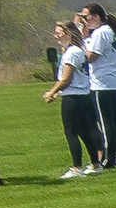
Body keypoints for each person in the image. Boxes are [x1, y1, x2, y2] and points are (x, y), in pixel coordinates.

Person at [42, 21, 102, 177]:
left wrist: (51, 92)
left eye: (58, 33)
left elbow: (66, 79)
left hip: (74, 98)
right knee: (85, 131)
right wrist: (57, 93)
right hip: (83, 95)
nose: (56, 36)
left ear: (68, 33)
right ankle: (96, 164)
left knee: (71, 132)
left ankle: (77, 168)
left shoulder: (71, 53)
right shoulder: (78, 50)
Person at [80, 3, 116, 168]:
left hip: (102, 82)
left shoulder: (101, 33)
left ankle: (107, 159)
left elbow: (91, 56)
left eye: (86, 17)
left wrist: (79, 47)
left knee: (106, 123)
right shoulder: (112, 32)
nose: (84, 21)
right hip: (114, 80)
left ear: (96, 17)